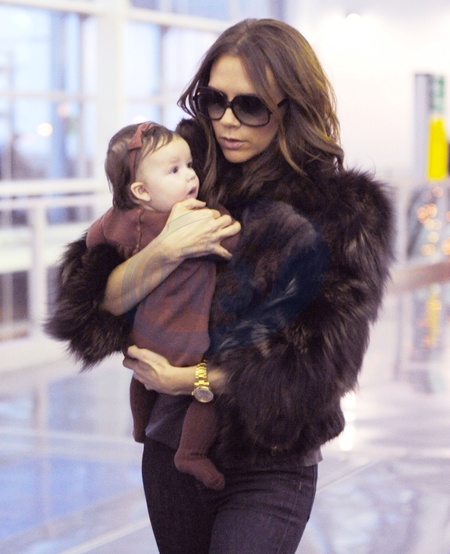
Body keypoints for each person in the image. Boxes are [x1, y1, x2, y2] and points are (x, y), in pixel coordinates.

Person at [45, 18, 394, 554]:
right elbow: (84, 306)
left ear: (292, 107)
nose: (227, 121)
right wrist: (165, 251)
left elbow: (322, 366)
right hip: (170, 452)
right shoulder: (183, 170)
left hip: (271, 460)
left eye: (250, 106)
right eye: (214, 100)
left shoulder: (343, 210)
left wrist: (191, 379)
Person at [49, 120, 239, 490]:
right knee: (206, 398)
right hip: (187, 336)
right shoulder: (195, 215)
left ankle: (140, 426)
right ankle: (192, 452)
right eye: (174, 170)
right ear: (140, 189)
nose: (191, 176)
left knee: (142, 375)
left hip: (143, 332)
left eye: (189, 165)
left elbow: (94, 240)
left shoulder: (117, 220)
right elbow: (230, 238)